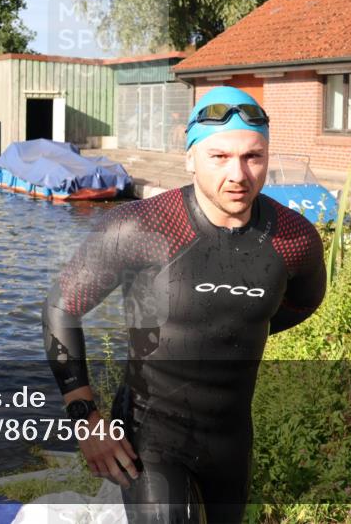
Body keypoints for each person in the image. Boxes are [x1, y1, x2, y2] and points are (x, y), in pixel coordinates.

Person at [43, 87, 326, 523]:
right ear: (190, 158)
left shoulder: (294, 240)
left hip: (230, 439)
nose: (238, 174)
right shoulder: (140, 226)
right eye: (219, 157)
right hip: (150, 432)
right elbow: (61, 309)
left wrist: (232, 324)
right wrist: (87, 418)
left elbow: (303, 304)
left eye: (253, 156)